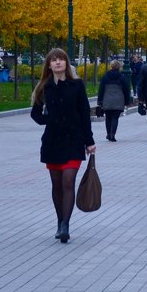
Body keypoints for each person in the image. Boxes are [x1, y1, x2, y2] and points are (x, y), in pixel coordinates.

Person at [30, 48, 96, 243]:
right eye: (54, 60)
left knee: (68, 181)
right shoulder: (44, 87)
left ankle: (66, 224)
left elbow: (85, 114)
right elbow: (34, 113)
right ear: (49, 65)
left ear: (66, 64)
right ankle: (60, 221)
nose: (58, 63)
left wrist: (89, 141)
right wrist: (47, 119)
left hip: (74, 140)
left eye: (61, 60)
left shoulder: (76, 86)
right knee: (57, 185)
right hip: (53, 141)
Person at [96, 59, 131, 141]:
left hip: (107, 99)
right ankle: (113, 135)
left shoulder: (105, 77)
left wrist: (99, 100)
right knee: (115, 118)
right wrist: (127, 101)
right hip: (118, 100)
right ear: (119, 67)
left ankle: (108, 133)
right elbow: (126, 90)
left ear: (111, 66)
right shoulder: (122, 77)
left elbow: (101, 89)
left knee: (108, 117)